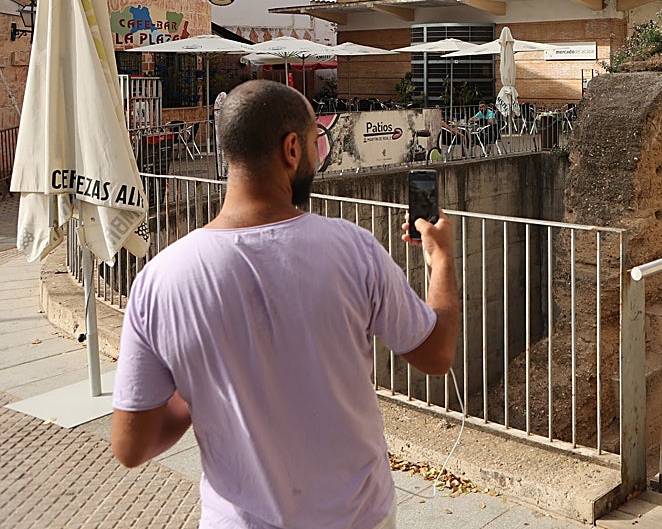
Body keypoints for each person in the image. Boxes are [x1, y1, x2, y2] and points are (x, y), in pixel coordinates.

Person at [110, 81, 459, 529]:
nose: (319, 153)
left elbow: (130, 446)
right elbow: (437, 354)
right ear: (292, 149)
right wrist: (442, 259)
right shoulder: (352, 249)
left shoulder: (159, 280)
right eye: (317, 141)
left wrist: (202, 380)